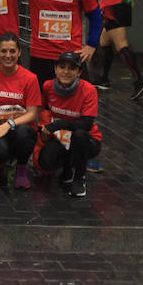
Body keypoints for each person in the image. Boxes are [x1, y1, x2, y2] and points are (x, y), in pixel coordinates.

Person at [0, 32, 41, 189]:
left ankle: (21, 170)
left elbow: (33, 114)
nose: (8, 55)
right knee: (0, 150)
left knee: (24, 134)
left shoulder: (30, 78)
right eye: (3, 51)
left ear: (19, 52)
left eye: (12, 51)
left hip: (19, 128)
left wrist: (8, 125)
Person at [37, 51, 102, 198]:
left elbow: (86, 124)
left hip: (88, 139)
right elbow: (45, 110)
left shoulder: (89, 90)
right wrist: (45, 129)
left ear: (79, 72)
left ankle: (80, 177)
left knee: (79, 135)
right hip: (61, 137)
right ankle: (67, 168)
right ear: (55, 69)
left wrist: (57, 125)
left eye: (72, 68)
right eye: (62, 67)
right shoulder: (47, 86)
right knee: (45, 161)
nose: (66, 72)